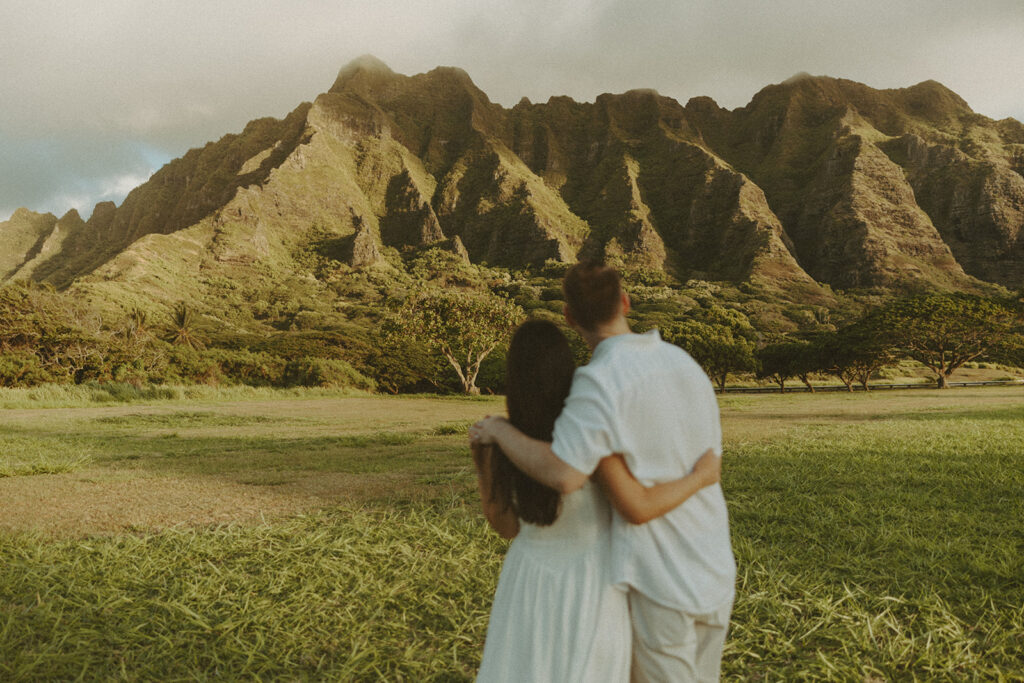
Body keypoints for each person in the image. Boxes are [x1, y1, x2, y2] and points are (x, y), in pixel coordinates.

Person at [472, 262, 736, 682]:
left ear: (570, 316)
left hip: (659, 577)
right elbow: (706, 458)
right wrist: (703, 477)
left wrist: (499, 431)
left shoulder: (598, 383)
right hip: (712, 562)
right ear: (626, 302)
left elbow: (565, 475)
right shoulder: (685, 364)